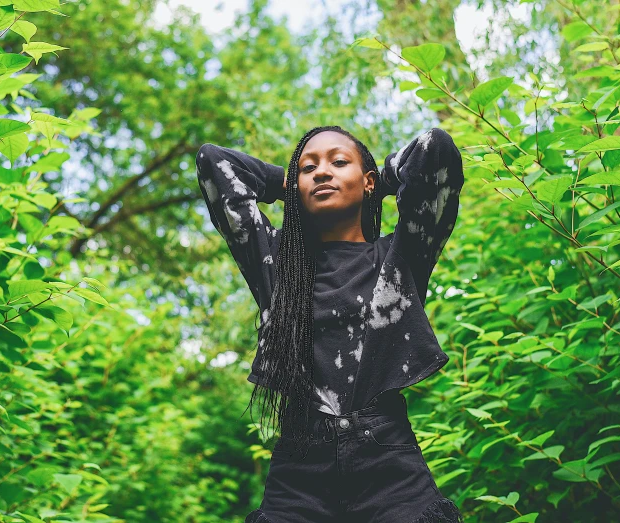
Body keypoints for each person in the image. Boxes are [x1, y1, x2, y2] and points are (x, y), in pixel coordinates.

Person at [195, 125, 465, 523]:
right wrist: (282, 181)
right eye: (308, 168)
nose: (322, 172)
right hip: (299, 472)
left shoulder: (400, 256)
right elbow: (213, 162)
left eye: (339, 162)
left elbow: (436, 151)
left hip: (391, 467)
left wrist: (383, 175)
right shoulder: (276, 263)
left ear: (367, 182)